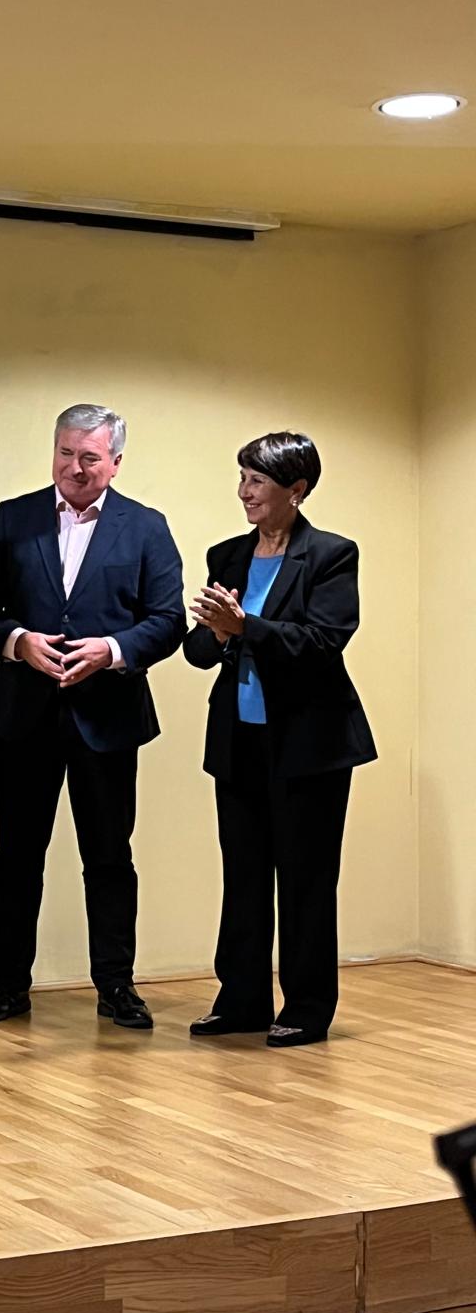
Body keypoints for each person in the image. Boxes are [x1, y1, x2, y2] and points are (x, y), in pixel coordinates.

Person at [0, 403, 184, 1030]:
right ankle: (7, 985)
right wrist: (15, 642)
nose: (75, 469)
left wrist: (112, 651)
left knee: (109, 857)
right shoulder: (14, 517)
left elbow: (167, 622)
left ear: (115, 462)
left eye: (90, 458)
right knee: (16, 855)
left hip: (108, 719)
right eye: (65, 453)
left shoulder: (147, 527)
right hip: (24, 713)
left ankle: (117, 987)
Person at [184, 431, 376, 1047]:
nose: (244, 492)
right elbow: (197, 650)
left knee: (306, 877)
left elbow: (324, 641)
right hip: (240, 739)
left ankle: (307, 1006)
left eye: (257, 481)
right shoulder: (228, 555)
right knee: (242, 874)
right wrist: (218, 634)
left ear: (295, 490)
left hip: (310, 744)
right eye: (241, 477)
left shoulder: (331, 554)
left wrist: (247, 626)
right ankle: (240, 999)